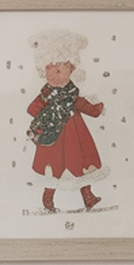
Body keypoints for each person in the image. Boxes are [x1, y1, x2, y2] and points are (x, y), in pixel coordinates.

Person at [26, 30, 105, 212]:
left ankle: (88, 197)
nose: (53, 75)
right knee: (53, 169)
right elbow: (32, 110)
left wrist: (98, 108)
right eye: (49, 70)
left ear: (71, 70)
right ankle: (48, 201)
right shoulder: (46, 94)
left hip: (74, 138)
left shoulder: (73, 95)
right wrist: (44, 101)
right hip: (53, 138)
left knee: (81, 166)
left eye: (59, 70)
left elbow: (87, 108)